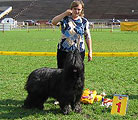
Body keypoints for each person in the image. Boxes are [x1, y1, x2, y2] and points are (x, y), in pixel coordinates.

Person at [52, 0, 92, 69]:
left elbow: (87, 37)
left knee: (76, 74)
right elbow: (54, 22)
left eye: (79, 9)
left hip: (79, 52)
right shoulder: (65, 19)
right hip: (64, 51)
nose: (77, 11)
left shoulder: (84, 21)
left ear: (82, 10)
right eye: (75, 9)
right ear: (71, 9)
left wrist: (90, 51)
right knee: (62, 73)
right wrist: (65, 13)